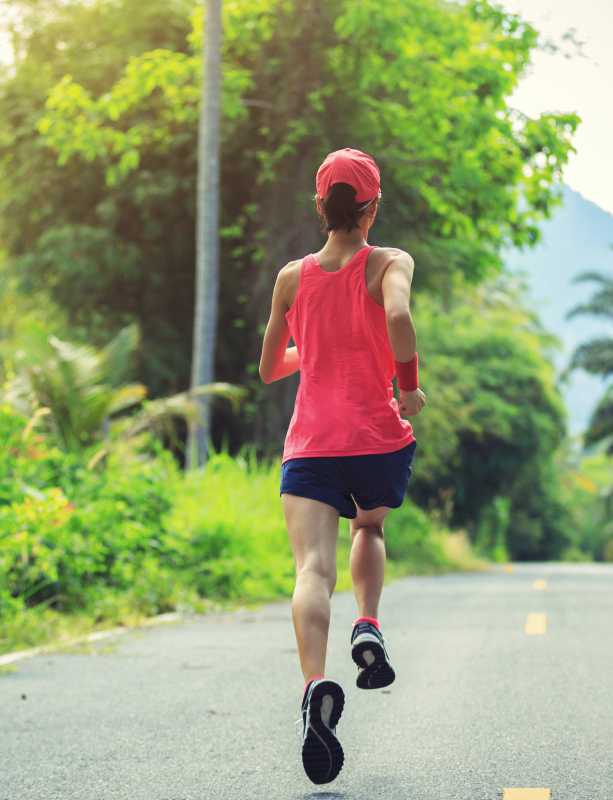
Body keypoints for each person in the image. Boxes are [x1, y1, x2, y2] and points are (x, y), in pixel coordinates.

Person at [258, 148, 426, 785]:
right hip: (376, 440)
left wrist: (316, 347)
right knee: (369, 529)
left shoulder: (291, 279)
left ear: (319, 206)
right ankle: (369, 625)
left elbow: (273, 366)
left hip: (311, 446)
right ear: (372, 206)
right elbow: (400, 317)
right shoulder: (388, 263)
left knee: (310, 570)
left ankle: (314, 688)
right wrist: (406, 386)